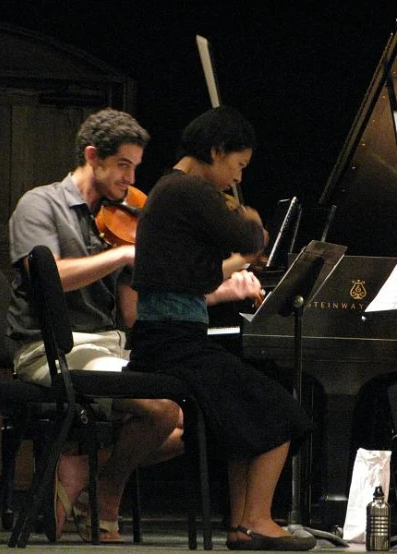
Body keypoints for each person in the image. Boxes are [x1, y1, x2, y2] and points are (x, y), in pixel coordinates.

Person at [127, 106, 316, 551]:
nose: (235, 177)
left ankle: (240, 525)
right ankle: (258, 520)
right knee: (282, 412)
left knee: (242, 418)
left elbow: (199, 277)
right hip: (173, 343)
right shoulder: (188, 191)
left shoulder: (173, 192)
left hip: (170, 338)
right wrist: (250, 221)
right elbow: (248, 240)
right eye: (237, 165)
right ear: (215, 151)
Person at [7, 108, 185, 542]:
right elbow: (48, 276)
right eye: (123, 165)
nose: (130, 179)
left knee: (180, 428)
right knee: (160, 411)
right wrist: (123, 256)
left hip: (106, 348)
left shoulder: (122, 221)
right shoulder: (39, 204)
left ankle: (81, 468)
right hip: (47, 349)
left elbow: (130, 313)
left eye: (136, 167)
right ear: (93, 156)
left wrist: (191, 285)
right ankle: (107, 491)